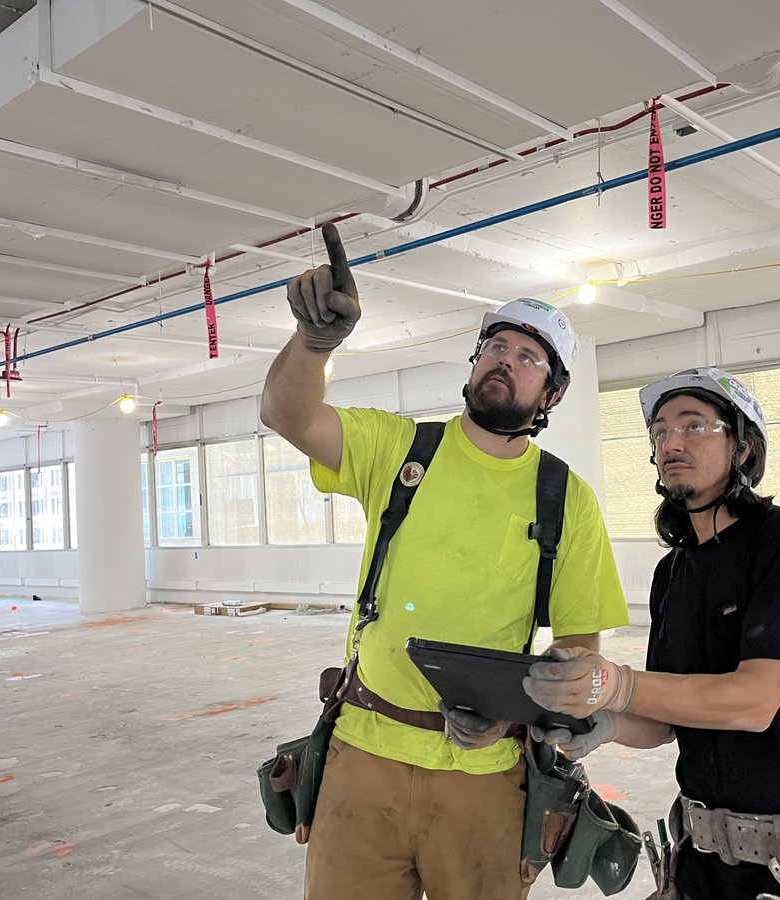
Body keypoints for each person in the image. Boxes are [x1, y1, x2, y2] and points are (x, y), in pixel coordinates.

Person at [259, 222, 630, 900]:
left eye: (528, 357)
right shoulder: (400, 449)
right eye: (496, 345)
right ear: (473, 363)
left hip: (484, 775)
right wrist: (314, 345)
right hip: (362, 758)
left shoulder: (564, 498)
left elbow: (578, 648)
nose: (505, 359)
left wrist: (513, 712)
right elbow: (287, 414)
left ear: (551, 395)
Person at [523, 367, 780, 899]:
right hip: (703, 859)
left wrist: (615, 684)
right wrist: (606, 721)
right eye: (660, 432)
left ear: (744, 448)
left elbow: (753, 703)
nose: (672, 442)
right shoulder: (674, 573)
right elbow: (664, 721)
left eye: (694, 426)